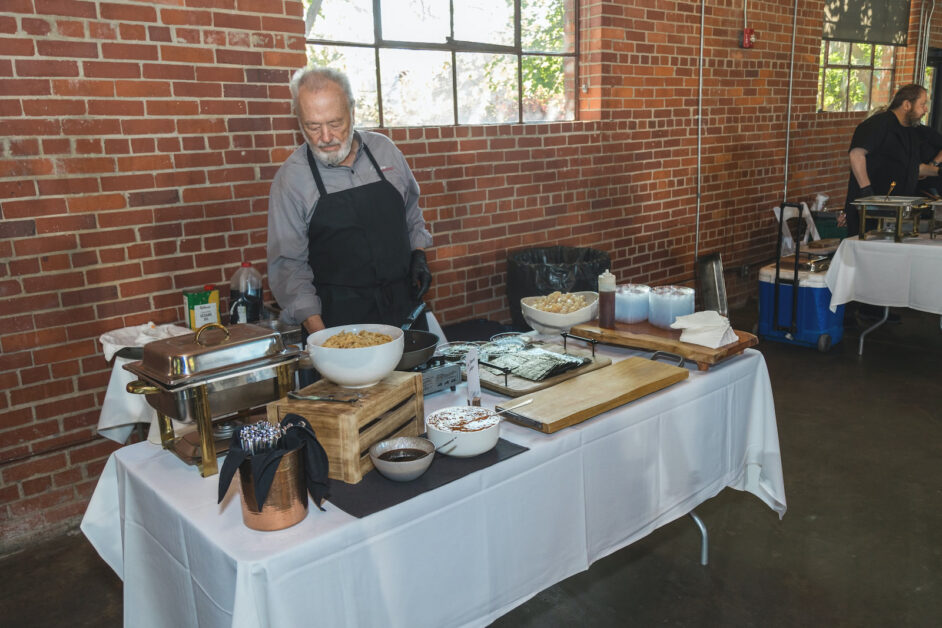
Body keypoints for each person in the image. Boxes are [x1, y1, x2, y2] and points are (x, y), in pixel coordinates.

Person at [267, 67, 433, 335]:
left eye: (335, 124)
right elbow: (289, 268)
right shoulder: (291, 180)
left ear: (352, 111)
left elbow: (411, 210)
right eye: (312, 126)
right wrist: (323, 337)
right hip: (341, 324)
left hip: (405, 311)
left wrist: (419, 254)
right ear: (298, 121)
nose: (325, 137)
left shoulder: (385, 151)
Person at [840, 84, 941, 236]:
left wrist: (938, 171)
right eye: (922, 104)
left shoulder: (911, 131)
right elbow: (856, 155)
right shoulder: (877, 124)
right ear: (907, 104)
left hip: (896, 210)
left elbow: (914, 167)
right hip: (872, 209)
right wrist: (867, 191)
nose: (925, 109)